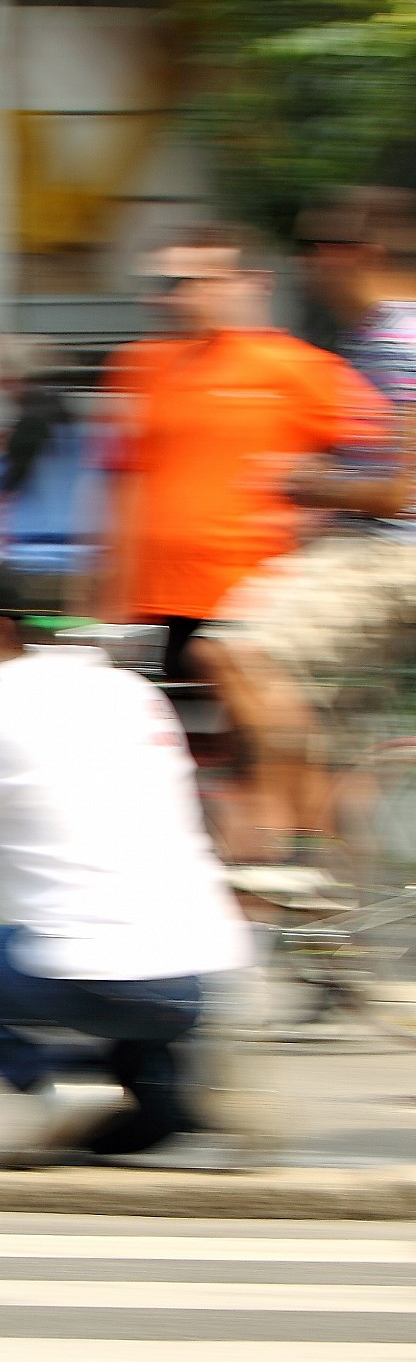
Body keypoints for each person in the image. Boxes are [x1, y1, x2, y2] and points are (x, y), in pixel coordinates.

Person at [0, 563, 253, 1167]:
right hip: (203, 974)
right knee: (128, 1126)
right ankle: (193, 1088)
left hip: (95, 975)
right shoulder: (133, 691)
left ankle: (48, 1085)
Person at [197, 187, 416, 874]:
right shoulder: (370, 340)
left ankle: (287, 849)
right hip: (367, 553)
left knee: (233, 653)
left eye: (315, 250)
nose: (305, 266)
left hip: (389, 557)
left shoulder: (398, 338)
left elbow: (401, 490)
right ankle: (341, 944)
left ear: (358, 253)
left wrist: (311, 482)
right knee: (330, 751)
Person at [96, 223, 386, 686]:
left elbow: (386, 460)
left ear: (238, 283)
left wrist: (318, 510)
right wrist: (104, 598)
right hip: (151, 605)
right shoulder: (138, 366)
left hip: (250, 605)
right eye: (161, 284)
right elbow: (119, 483)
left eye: (186, 283)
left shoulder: (301, 368)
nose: (169, 297)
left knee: (252, 743)